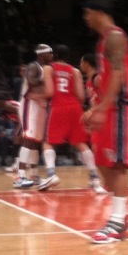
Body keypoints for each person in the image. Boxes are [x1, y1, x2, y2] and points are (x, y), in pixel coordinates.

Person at [82, 0, 128, 242]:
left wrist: (103, 108)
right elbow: (108, 79)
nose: (86, 18)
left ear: (100, 12)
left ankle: (117, 223)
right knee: (103, 161)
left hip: (124, 107)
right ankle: (123, 213)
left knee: (117, 165)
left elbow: (118, 75)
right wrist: (97, 107)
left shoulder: (115, 37)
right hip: (112, 107)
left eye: (88, 13)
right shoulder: (103, 40)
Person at [36, 44, 106, 193]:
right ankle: (94, 179)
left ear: (54, 55)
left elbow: (49, 92)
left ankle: (51, 175)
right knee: (81, 144)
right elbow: (81, 97)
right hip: (75, 108)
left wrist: (37, 96)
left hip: (58, 106)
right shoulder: (75, 71)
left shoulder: (49, 68)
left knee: (48, 142)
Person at [80, 52, 128, 181]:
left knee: (110, 148)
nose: (80, 65)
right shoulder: (89, 81)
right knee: (100, 148)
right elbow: (95, 101)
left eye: (81, 62)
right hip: (99, 117)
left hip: (108, 116)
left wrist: (95, 112)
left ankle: (102, 180)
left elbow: (109, 97)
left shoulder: (97, 79)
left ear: (87, 64)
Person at [13, 44, 53, 189]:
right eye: (50, 53)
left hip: (40, 105)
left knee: (36, 142)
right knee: (29, 140)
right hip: (30, 105)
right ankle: (20, 176)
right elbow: (31, 81)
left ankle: (34, 175)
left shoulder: (47, 68)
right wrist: (48, 83)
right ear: (41, 55)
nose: (52, 56)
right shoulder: (33, 66)